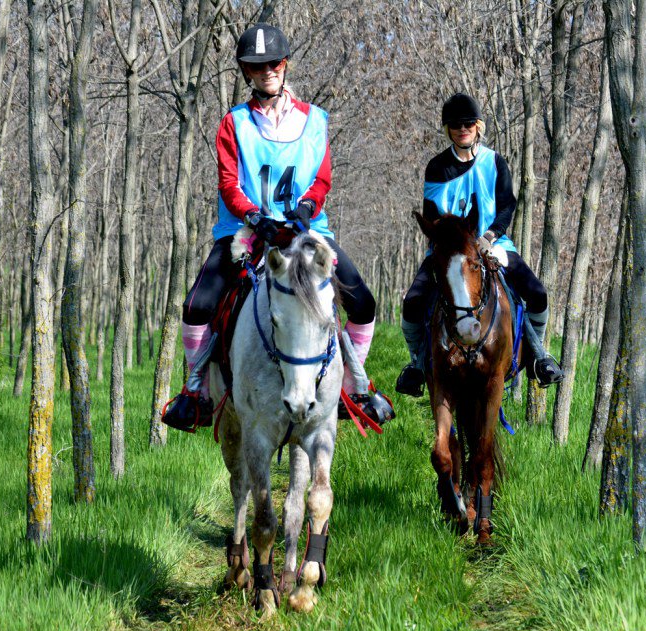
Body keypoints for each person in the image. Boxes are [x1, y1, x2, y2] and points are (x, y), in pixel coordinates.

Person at [163, 23, 387, 431]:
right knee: (197, 306)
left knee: (363, 303)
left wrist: (307, 207)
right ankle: (196, 393)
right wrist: (253, 217)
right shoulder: (233, 123)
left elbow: (322, 177)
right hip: (247, 232)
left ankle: (352, 388)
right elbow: (229, 182)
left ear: (285, 65)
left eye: (274, 63)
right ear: (246, 72)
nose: (267, 71)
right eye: (257, 66)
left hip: (306, 231)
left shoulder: (315, 120)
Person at [395, 93, 562, 397]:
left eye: (468, 123)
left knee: (537, 293)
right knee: (413, 302)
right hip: (449, 250)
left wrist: (488, 237)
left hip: (493, 243)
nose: (463, 128)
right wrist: (450, 243)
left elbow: (507, 206)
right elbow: (431, 216)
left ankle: (538, 356)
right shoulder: (436, 168)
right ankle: (416, 364)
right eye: (456, 124)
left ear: (478, 126)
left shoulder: (494, 162)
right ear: (448, 129)